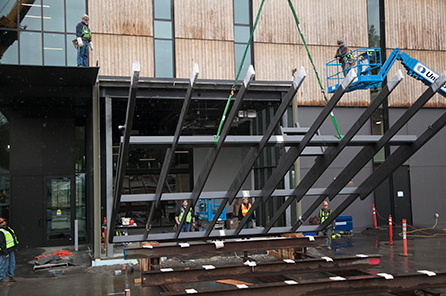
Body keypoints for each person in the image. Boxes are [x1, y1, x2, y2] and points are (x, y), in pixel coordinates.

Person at [0, 218, 19, 286]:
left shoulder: (7, 229)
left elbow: (13, 238)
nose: (4, 223)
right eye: (2, 222)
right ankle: (1, 280)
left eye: (4, 221)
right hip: (5, 251)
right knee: (3, 266)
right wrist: (4, 252)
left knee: (11, 264)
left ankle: (11, 277)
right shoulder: (1, 232)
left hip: (10, 250)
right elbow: (1, 243)